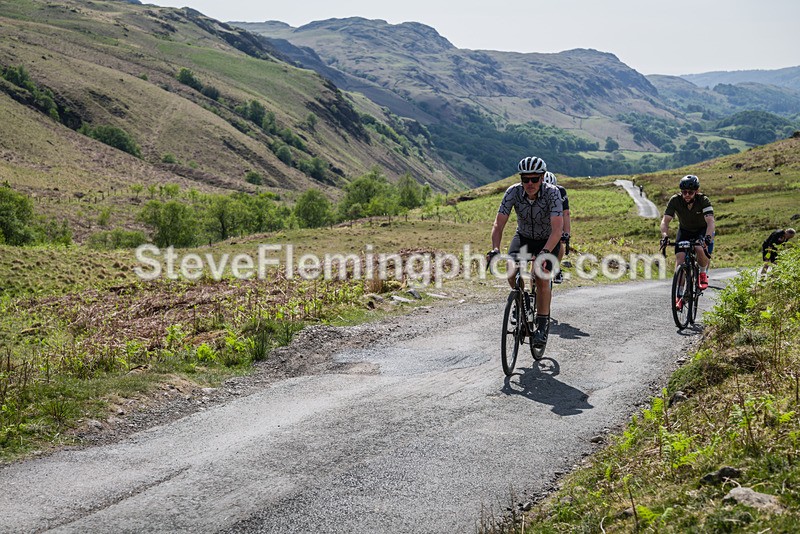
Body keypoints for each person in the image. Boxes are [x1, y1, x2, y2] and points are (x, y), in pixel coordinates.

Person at [488, 156, 563, 347]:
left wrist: (545, 252)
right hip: (524, 237)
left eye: (534, 179)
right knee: (511, 270)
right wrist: (495, 248)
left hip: (548, 239)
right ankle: (520, 303)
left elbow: (557, 230)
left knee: (542, 275)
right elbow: (498, 224)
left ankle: (542, 324)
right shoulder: (512, 192)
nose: (530, 183)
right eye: (525, 179)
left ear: (542, 177)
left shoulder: (553, 193)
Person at [660, 175, 715, 297]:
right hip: (685, 231)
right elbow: (665, 221)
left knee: (700, 248)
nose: (687, 195)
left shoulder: (703, 200)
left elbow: (710, 222)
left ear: (696, 191)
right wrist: (665, 236)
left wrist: (707, 238)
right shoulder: (675, 200)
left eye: (690, 192)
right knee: (680, 259)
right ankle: (679, 294)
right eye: (684, 192)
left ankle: (702, 274)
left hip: (702, 230)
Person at [543, 171, 571, 284]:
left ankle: (557, 268)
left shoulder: (561, 191)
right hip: (541, 222)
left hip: (556, 220)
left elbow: (566, 213)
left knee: (559, 241)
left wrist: (566, 233)